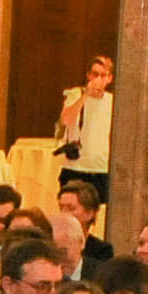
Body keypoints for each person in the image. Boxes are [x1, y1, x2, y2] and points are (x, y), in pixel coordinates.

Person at [54, 52, 117, 204]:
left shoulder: (112, 101)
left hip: (101, 168)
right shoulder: (76, 94)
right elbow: (66, 119)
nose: (98, 79)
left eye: (103, 75)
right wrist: (85, 96)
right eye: (95, 74)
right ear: (88, 75)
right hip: (75, 167)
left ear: (109, 78)